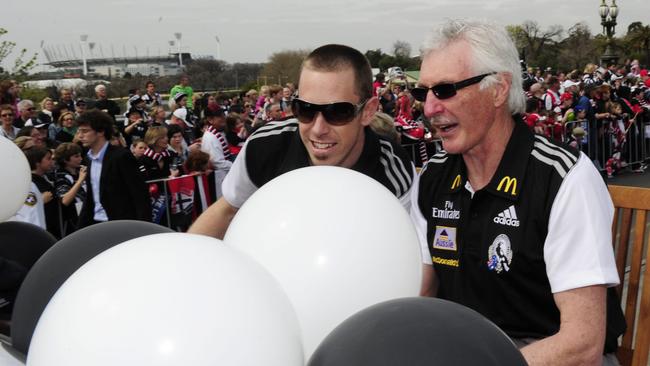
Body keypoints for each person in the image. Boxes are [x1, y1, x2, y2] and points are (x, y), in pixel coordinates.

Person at [410, 19, 624, 366]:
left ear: (498, 89)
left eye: (446, 90)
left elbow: (582, 344)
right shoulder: (433, 176)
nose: (430, 108)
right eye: (423, 93)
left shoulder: (562, 177)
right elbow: (418, 296)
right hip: (468, 348)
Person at [189, 44, 414, 239]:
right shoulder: (265, 146)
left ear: (368, 111)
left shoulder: (392, 171)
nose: (318, 129)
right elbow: (226, 211)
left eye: (338, 112)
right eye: (305, 109)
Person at [76, 110, 151, 228]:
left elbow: (139, 194)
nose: (80, 135)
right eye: (79, 131)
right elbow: (92, 196)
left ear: (100, 131)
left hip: (122, 224)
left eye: (85, 131)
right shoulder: (89, 158)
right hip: (96, 224)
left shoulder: (121, 156)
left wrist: (143, 228)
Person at [24, 147, 60, 238]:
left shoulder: (45, 178)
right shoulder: (29, 183)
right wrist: (41, 200)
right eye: (48, 159)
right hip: (42, 231)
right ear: (37, 162)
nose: (52, 161)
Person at [54, 143, 87, 236]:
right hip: (73, 222)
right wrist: (80, 181)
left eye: (80, 155)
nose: (80, 159)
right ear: (65, 160)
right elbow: (65, 200)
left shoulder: (81, 170)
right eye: (76, 156)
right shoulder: (60, 176)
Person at [200, 108, 232, 199]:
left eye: (223, 115)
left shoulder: (218, 132)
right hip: (218, 178)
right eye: (219, 117)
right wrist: (235, 166)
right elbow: (217, 162)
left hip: (223, 175)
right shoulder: (210, 137)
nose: (222, 118)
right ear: (210, 120)